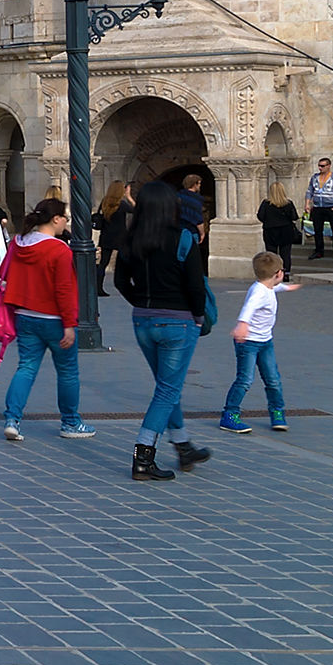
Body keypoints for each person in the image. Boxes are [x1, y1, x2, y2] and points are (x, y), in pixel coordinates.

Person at [114, 180, 213, 482]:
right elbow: (196, 285)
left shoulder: (131, 239)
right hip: (177, 321)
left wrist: (142, 303)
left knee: (166, 387)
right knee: (168, 389)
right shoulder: (183, 237)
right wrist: (198, 317)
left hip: (143, 320)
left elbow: (120, 281)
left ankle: (183, 445)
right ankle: (143, 455)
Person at [0, 196, 92, 441]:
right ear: (55, 219)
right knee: (68, 371)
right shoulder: (59, 250)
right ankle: (70, 422)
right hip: (53, 319)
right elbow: (64, 289)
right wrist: (70, 324)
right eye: (65, 218)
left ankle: (12, 419)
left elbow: (3, 272)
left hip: (24, 315)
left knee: (26, 367)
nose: (66, 223)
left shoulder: (18, 243)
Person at [221, 251, 299, 433]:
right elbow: (249, 307)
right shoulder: (258, 292)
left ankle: (277, 412)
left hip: (265, 342)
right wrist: (242, 324)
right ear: (278, 273)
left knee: (273, 379)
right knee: (245, 380)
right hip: (248, 342)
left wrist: (287, 288)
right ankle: (229, 415)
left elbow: (274, 288)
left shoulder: (267, 286)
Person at [90, 180, 130, 298]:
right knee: (127, 260)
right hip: (120, 237)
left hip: (106, 236)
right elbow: (136, 210)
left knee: (103, 263)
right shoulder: (121, 204)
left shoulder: (105, 202)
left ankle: (98, 288)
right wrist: (129, 197)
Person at [304, 158, 333, 262]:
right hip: (318, 207)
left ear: (328, 166)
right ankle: (319, 250)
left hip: (330, 207)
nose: (320, 168)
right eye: (319, 166)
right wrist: (307, 204)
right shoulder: (315, 178)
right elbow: (309, 191)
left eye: (322, 166)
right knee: (317, 230)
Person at [256, 184, 302, 278]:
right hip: (286, 230)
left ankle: (272, 273)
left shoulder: (266, 204)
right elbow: (294, 217)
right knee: (285, 254)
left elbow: (260, 216)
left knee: (271, 254)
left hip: (270, 231)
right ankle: (285, 274)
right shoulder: (288, 203)